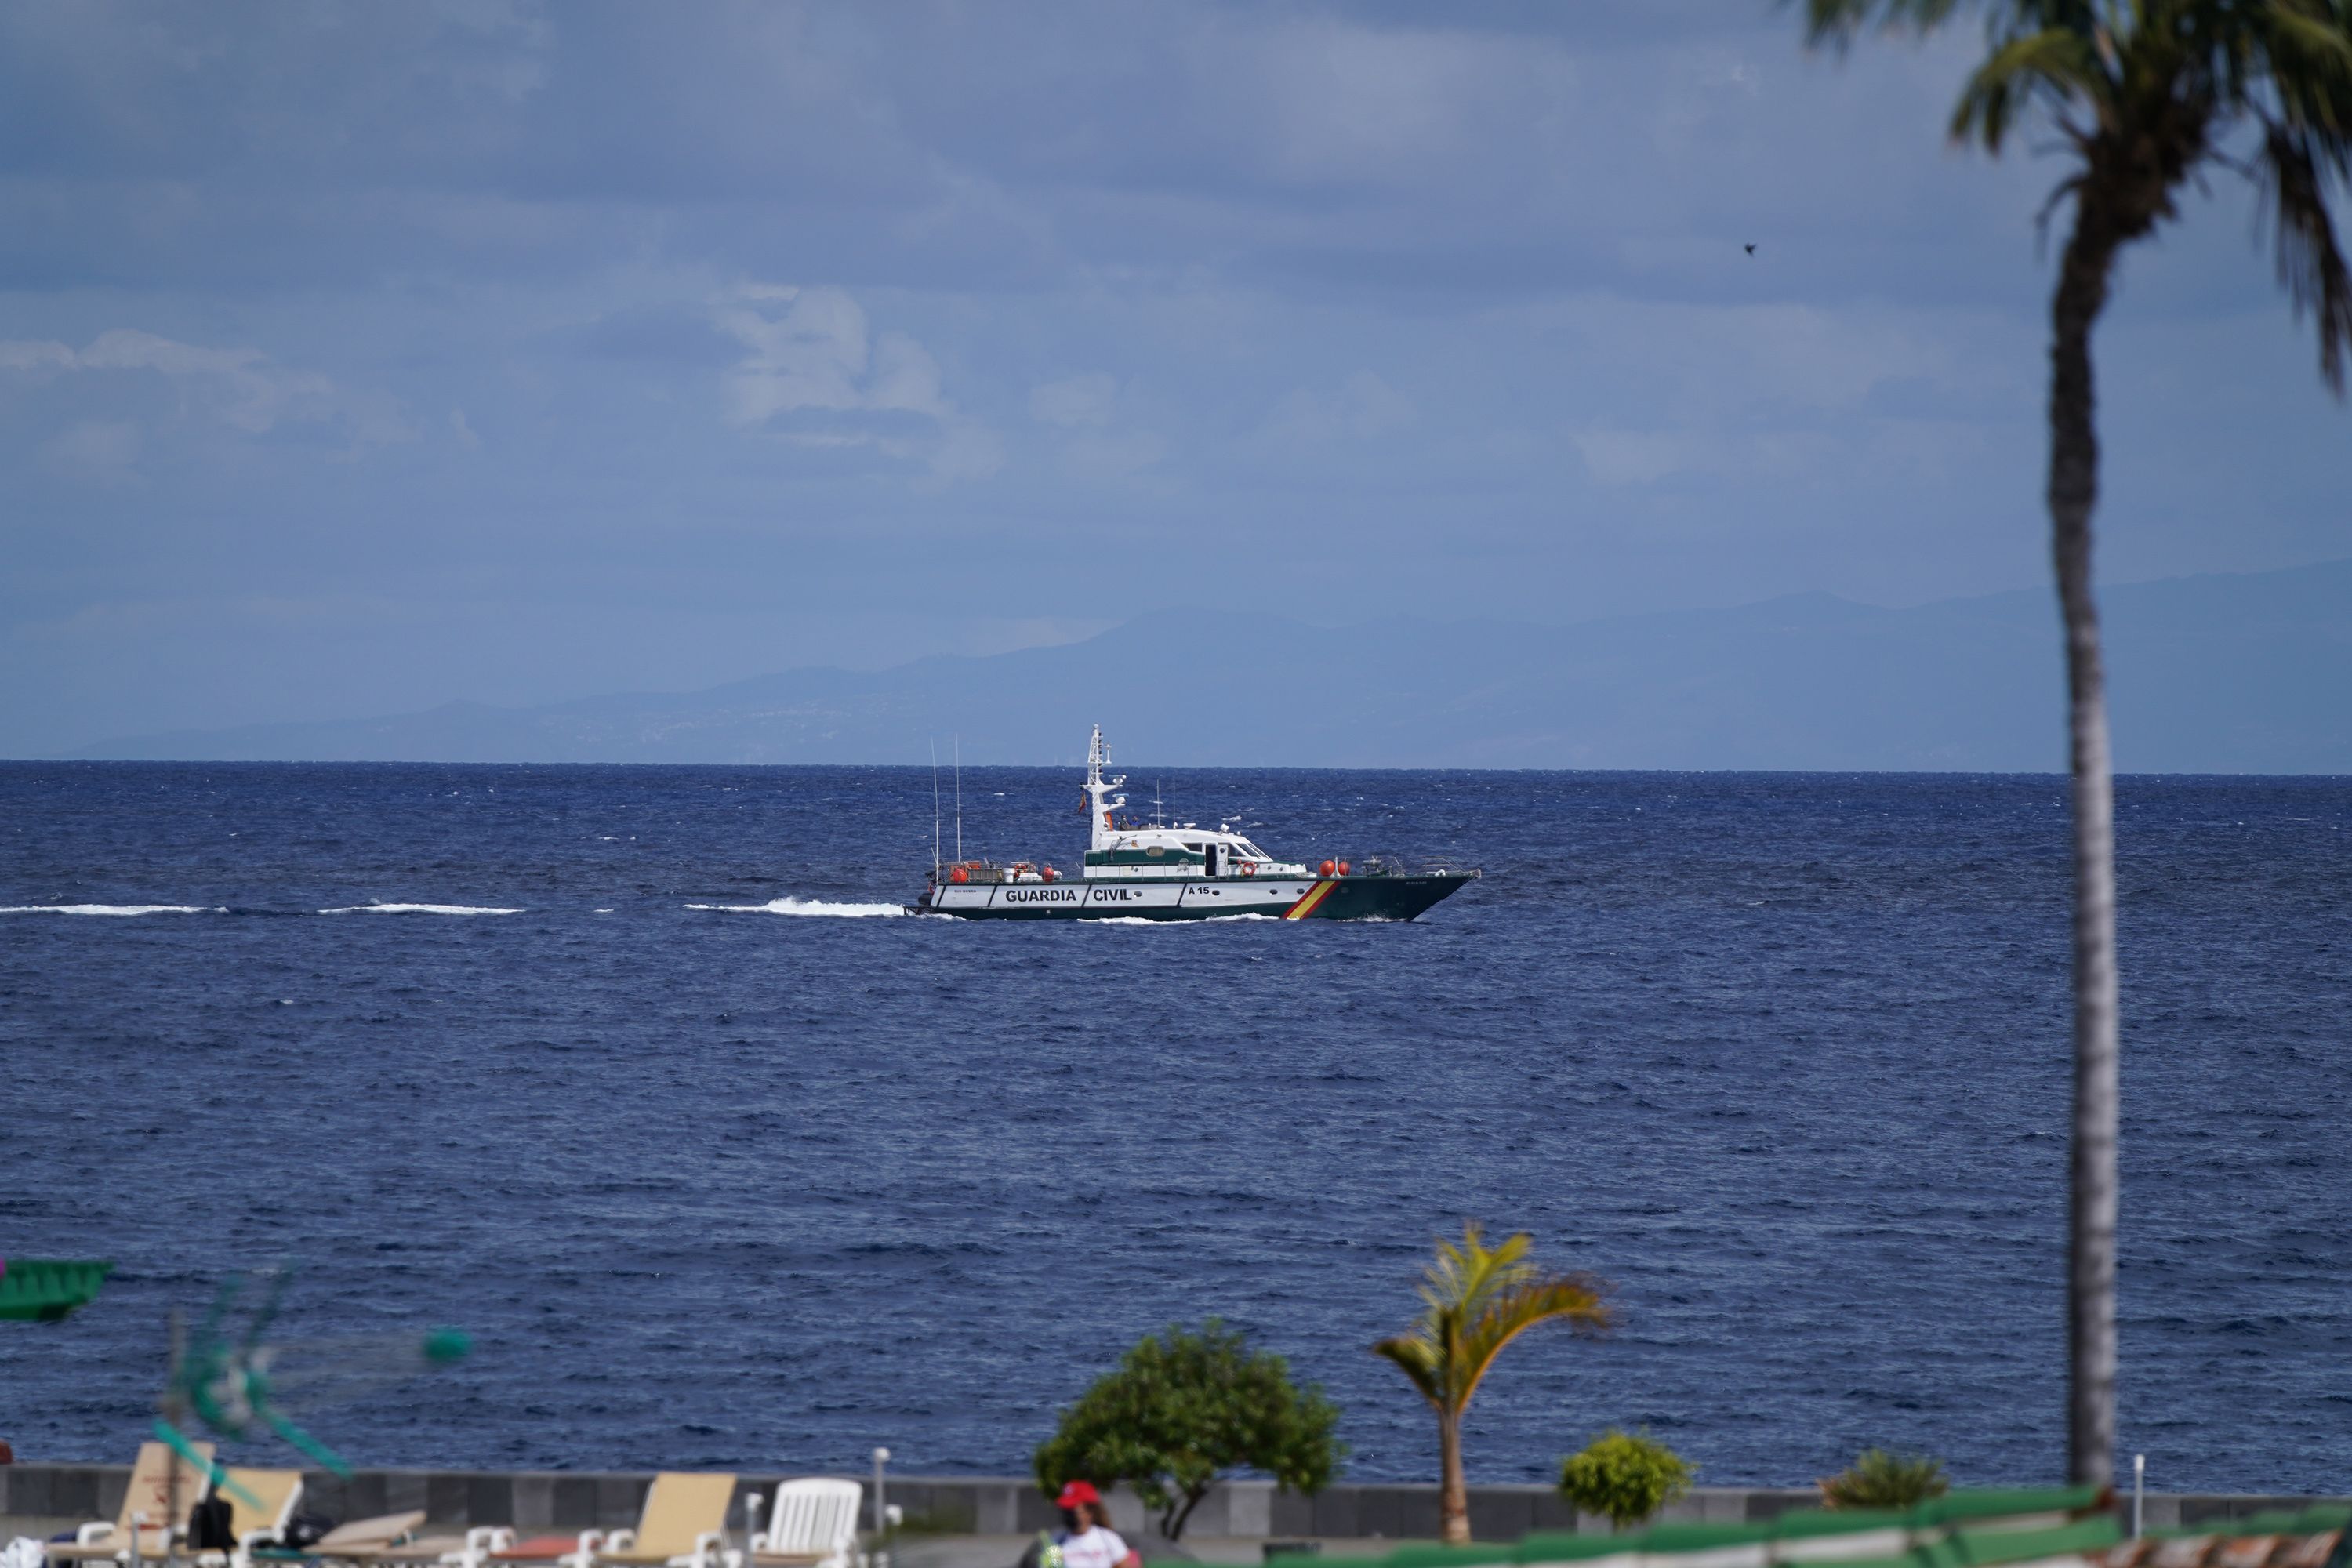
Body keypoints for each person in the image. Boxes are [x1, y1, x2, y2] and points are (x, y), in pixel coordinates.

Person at [1033, 1483, 1140, 1568]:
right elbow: (1051, 1565)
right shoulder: (1056, 1543)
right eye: (1065, 1510)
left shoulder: (1108, 1539)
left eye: (1072, 1511)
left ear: (1089, 1512)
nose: (1068, 1515)